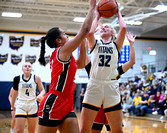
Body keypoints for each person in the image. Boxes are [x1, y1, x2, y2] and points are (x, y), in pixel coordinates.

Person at [37, 1, 96, 132]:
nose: (67, 35)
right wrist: (92, 8)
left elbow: (80, 64)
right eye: (64, 34)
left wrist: (84, 40)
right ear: (58, 41)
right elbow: (85, 29)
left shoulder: (65, 55)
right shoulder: (61, 51)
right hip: (54, 102)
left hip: (67, 103)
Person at [80, 1, 127, 131]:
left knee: (117, 130)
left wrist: (118, 12)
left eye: (107, 27)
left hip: (111, 86)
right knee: (84, 129)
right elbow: (89, 33)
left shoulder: (116, 45)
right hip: (94, 85)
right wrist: (97, 16)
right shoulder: (95, 44)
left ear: (112, 33)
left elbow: (123, 29)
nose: (103, 28)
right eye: (102, 27)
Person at [84, 31, 136, 132]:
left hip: (112, 104)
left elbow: (132, 62)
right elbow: (84, 54)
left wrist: (131, 44)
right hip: (96, 106)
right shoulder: (93, 68)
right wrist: (88, 36)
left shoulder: (115, 70)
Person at [11, 62, 45, 133]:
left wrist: (40, 95)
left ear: (31, 69)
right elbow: (14, 94)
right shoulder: (17, 79)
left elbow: (42, 90)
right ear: (22, 69)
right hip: (20, 105)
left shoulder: (36, 78)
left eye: (29, 66)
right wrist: (13, 105)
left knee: (31, 131)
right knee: (19, 130)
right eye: (25, 66)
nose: (27, 67)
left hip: (32, 105)